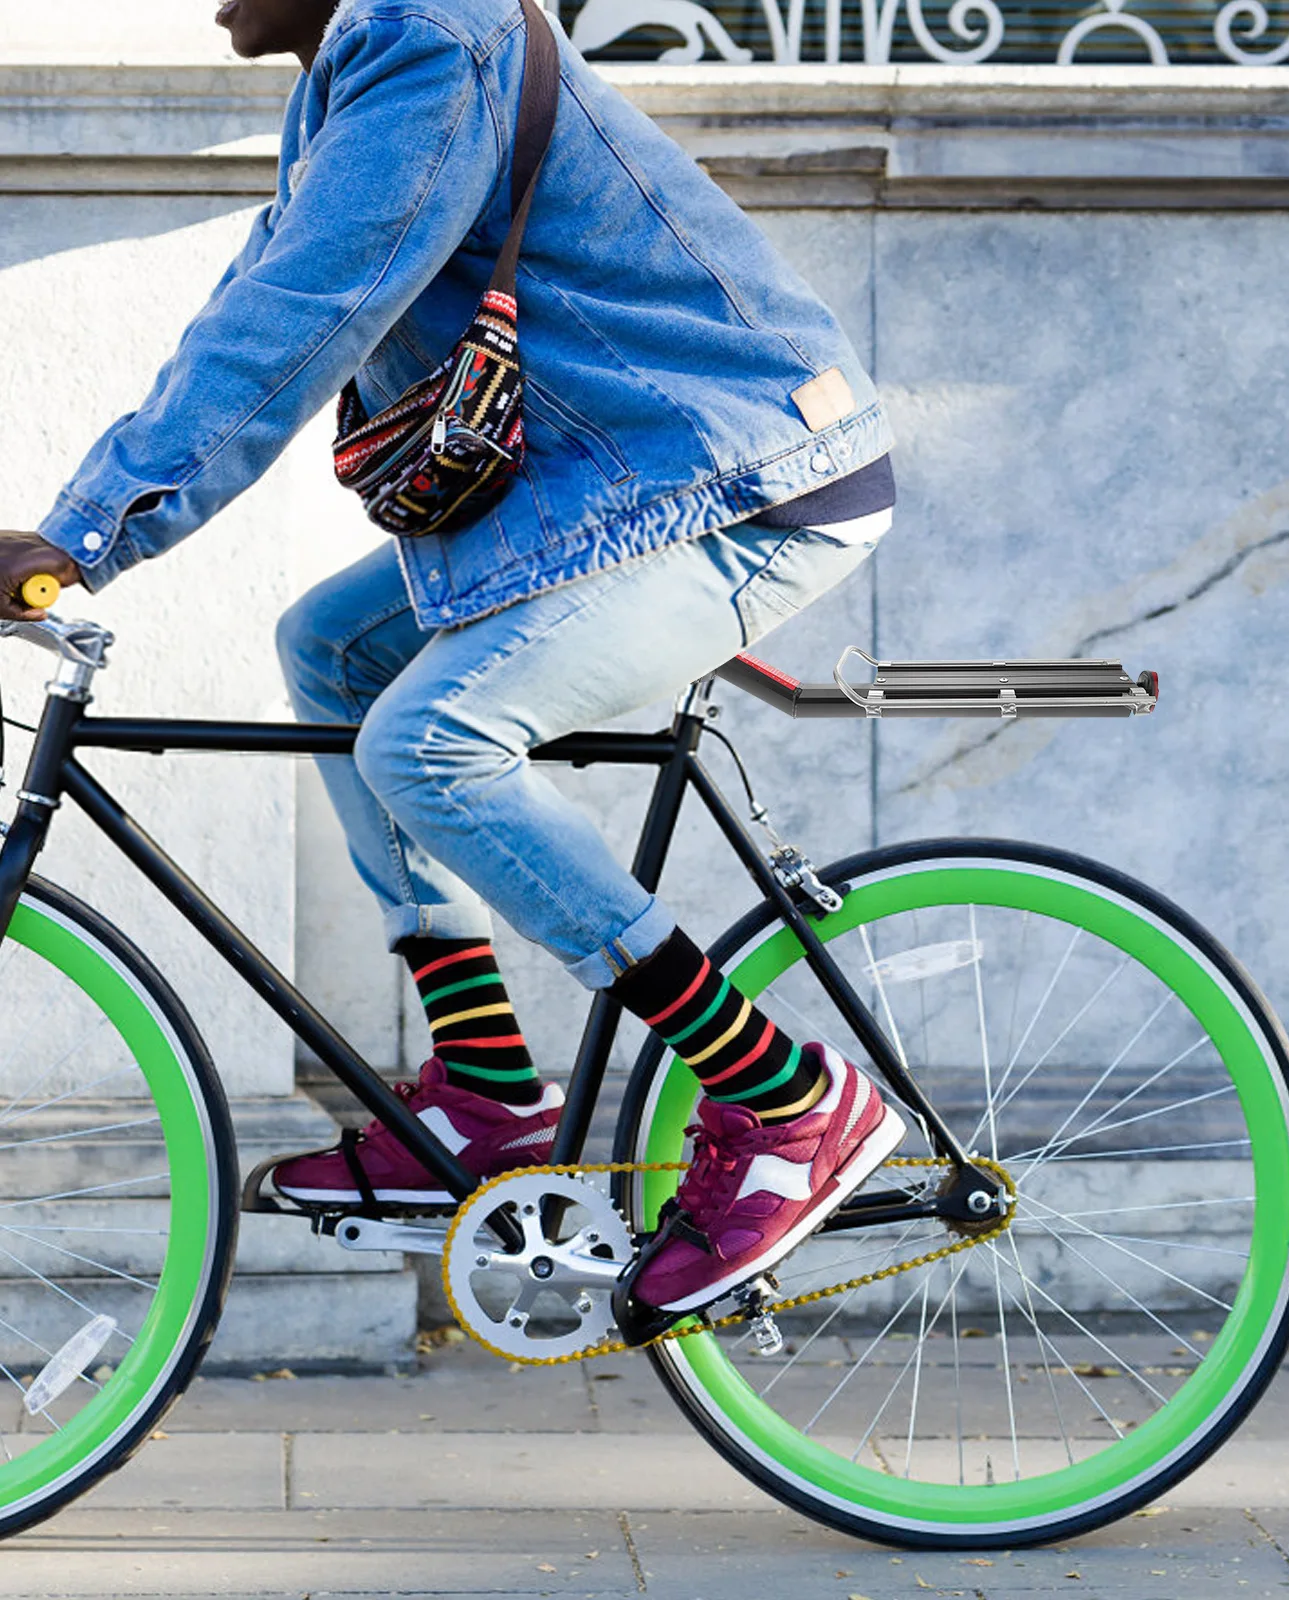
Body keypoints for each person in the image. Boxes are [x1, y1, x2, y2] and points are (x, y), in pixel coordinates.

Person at [0, 0, 904, 1316]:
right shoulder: (358, 71)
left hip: (747, 481)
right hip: (623, 485)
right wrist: (83, 519)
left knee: (432, 746)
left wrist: (88, 534)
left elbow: (307, 319)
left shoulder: (428, 36)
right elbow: (252, 307)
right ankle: (484, 1095)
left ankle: (786, 1098)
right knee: (330, 648)